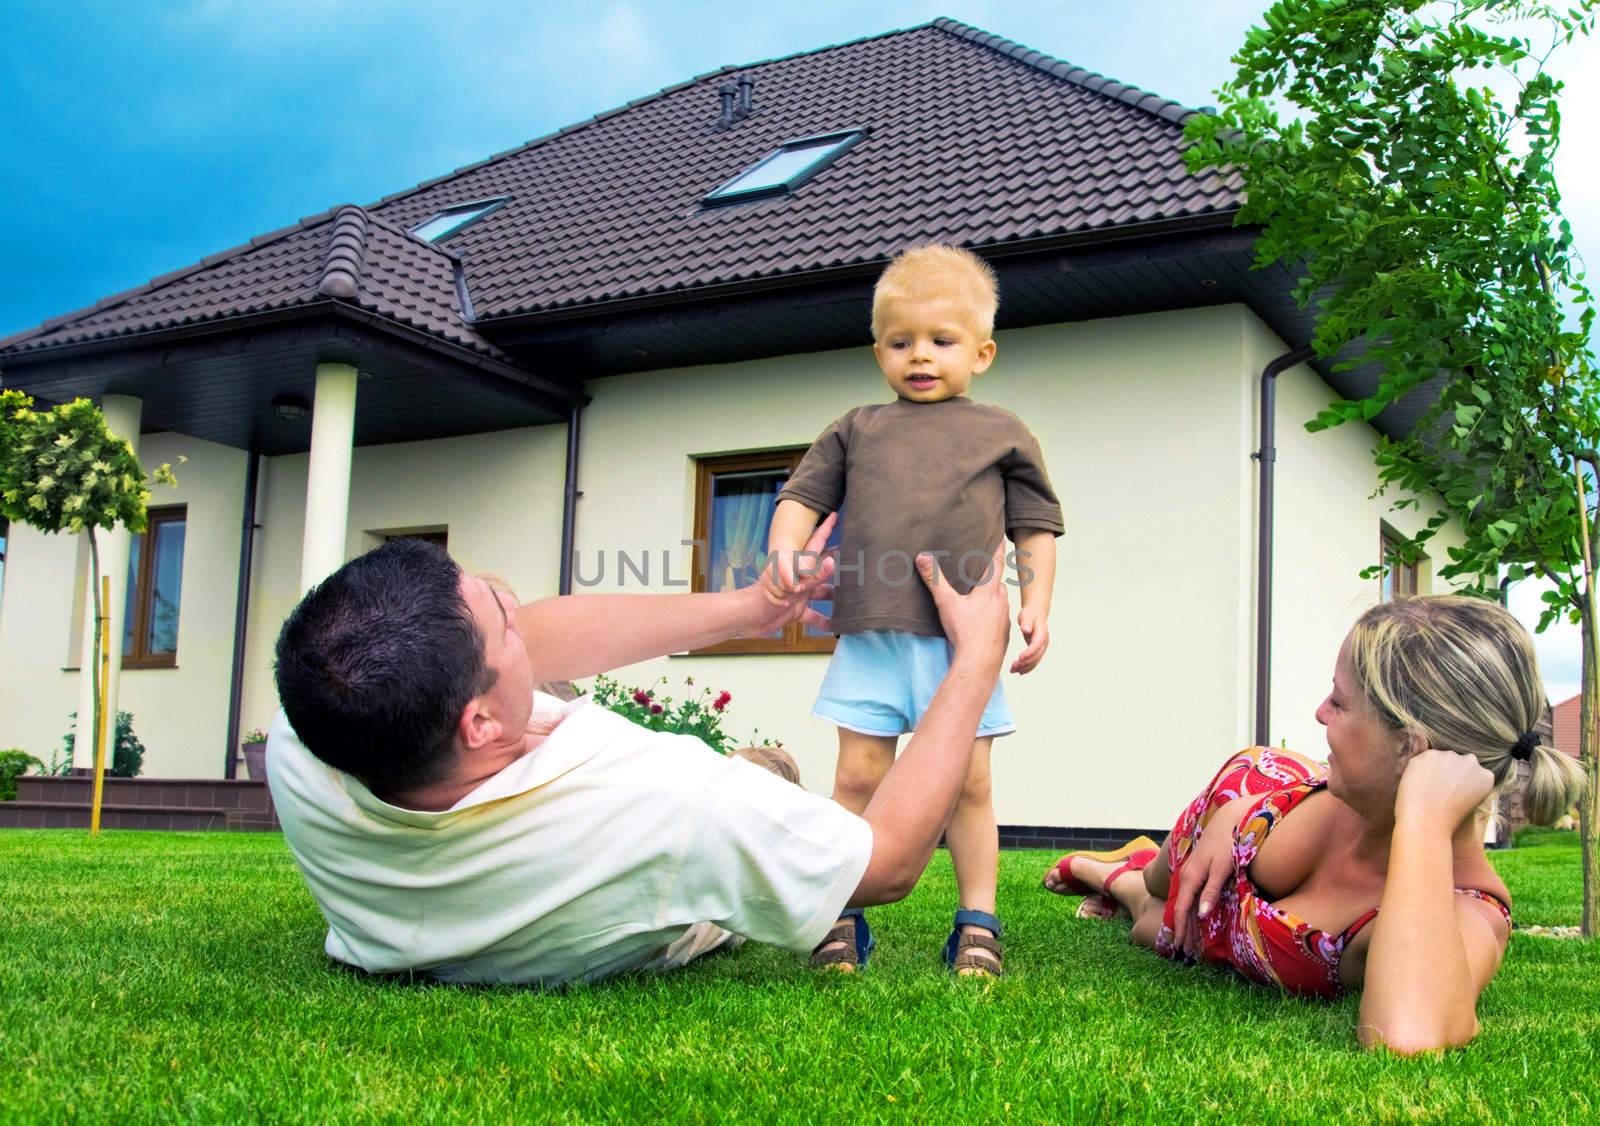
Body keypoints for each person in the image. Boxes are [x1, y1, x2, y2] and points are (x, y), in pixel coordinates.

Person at [267, 523, 1014, 986]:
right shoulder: (661, 797)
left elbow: (536, 638)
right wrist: (974, 660)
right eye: (507, 625)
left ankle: (764, 765)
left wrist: (748, 612)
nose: (519, 616)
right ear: (480, 725)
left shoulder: (309, 731)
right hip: (688, 894)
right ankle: (769, 768)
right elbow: (882, 863)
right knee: (757, 785)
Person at [1042, 595, 1586, 1053]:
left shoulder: (1469, 912)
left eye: (1341, 702)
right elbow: (1300, 792)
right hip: (1245, 802)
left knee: (1151, 927)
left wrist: (1421, 818)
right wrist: (1238, 816)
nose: (1320, 714)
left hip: (1241, 896)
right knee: (1164, 887)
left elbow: (1405, 1036)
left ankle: (1106, 873)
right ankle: (1133, 868)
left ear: (1410, 749)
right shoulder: (1349, 790)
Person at [767, 244, 1064, 977]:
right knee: (859, 776)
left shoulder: (1003, 432)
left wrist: (1039, 604)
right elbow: (802, 498)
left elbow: (1036, 527)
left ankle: (978, 922)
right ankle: (841, 914)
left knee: (970, 781)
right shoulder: (856, 428)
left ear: (982, 352)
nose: (919, 357)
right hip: (871, 636)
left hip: (962, 644)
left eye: (941, 341)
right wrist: (785, 551)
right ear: (878, 351)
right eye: (900, 343)